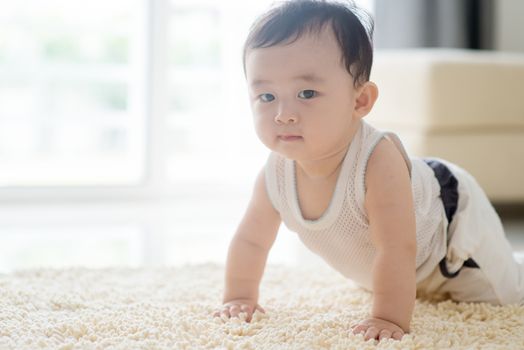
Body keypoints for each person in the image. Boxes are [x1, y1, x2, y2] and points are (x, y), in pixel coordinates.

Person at [212, 0, 524, 342]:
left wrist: (387, 317)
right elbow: (251, 240)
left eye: (306, 93)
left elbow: (397, 248)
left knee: (505, 293)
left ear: (360, 101)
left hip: (452, 224)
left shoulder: (377, 161)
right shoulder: (275, 175)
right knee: (385, 277)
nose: (283, 113)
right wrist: (239, 296)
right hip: (395, 258)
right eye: (267, 96)